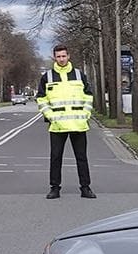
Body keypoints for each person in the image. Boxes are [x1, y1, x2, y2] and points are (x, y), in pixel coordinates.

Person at [35, 43, 95, 199]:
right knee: (56, 158)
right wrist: (50, 116)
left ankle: (85, 188)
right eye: (58, 56)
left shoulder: (79, 74)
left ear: (69, 56)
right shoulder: (47, 77)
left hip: (78, 124)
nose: (61, 59)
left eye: (64, 56)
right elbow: (41, 99)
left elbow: (88, 95)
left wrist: (86, 113)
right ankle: (54, 188)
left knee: (81, 158)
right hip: (57, 125)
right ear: (54, 58)